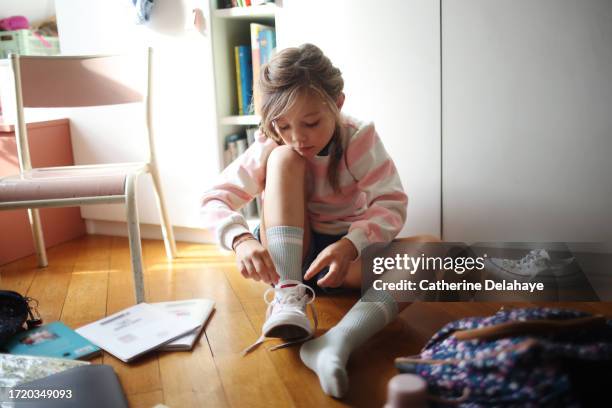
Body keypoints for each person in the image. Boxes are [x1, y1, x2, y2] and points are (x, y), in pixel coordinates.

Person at [200, 43, 437, 398]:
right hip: (292, 254)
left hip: (344, 260)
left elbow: (390, 202)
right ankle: (288, 298)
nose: (298, 137)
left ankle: (337, 342)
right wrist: (241, 240)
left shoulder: (359, 137)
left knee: (435, 250)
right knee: (283, 159)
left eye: (311, 123)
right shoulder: (273, 144)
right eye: (282, 125)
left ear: (337, 104)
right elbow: (213, 198)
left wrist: (350, 245)